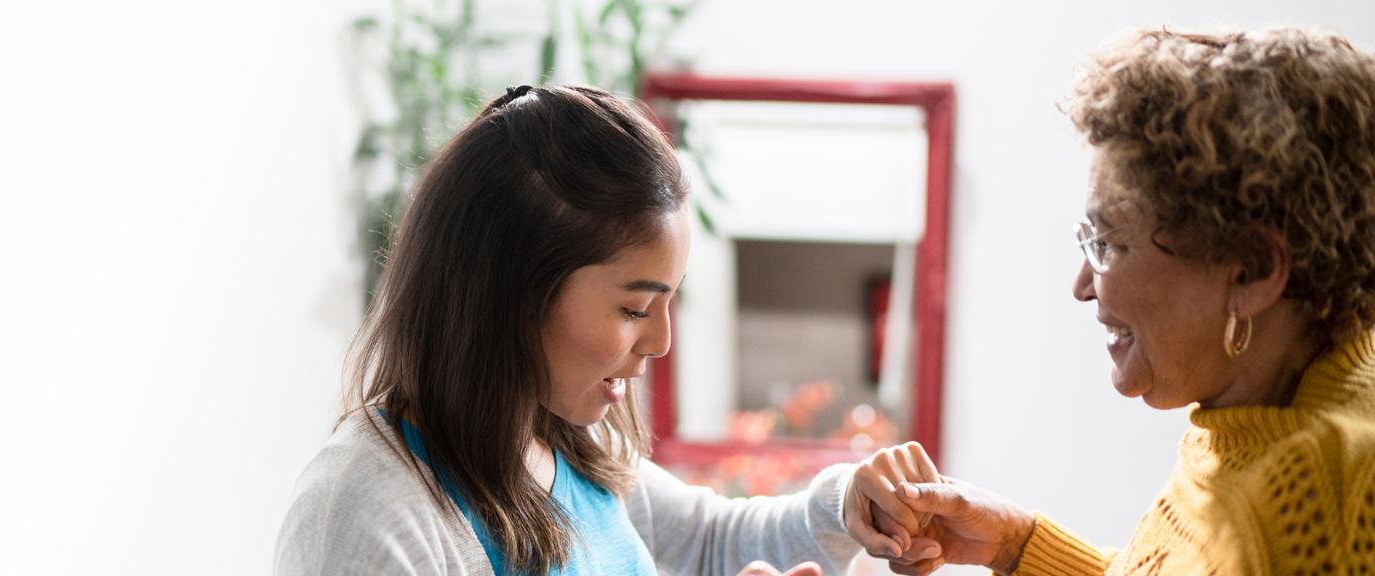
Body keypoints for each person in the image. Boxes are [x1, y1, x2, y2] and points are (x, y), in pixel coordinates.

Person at [273, 84, 942, 575]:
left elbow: (708, 546)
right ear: (510, 293)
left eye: (670, 301)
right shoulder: (364, 512)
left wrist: (846, 506)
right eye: (632, 308)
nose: (660, 343)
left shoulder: (564, 446)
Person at [880, 28, 1375, 575]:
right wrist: (1017, 545)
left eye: (1109, 244)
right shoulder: (1346, 384)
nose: (1082, 284)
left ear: (1253, 271)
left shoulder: (1325, 501)